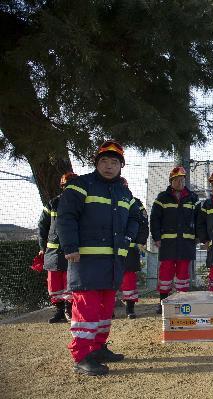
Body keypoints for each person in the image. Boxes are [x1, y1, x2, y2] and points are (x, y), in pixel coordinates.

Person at [57, 140, 139, 376]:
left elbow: (137, 217)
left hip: (112, 263)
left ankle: (99, 347)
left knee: (105, 309)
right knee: (87, 310)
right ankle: (82, 356)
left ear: (121, 166)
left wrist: (127, 238)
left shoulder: (124, 192)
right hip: (85, 263)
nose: (109, 166)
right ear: (96, 163)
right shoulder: (80, 185)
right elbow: (66, 216)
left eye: (115, 162)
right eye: (104, 161)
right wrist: (70, 245)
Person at [150, 166, 199, 314]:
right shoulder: (162, 198)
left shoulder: (193, 198)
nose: (180, 182)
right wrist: (156, 237)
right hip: (167, 244)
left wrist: (198, 236)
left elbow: (199, 219)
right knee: (165, 273)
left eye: (182, 180)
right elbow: (154, 219)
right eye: (177, 180)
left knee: (183, 273)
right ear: (171, 181)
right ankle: (162, 303)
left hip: (186, 243)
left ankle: (181, 301)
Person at [37, 172, 78, 323]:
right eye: (67, 186)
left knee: (70, 282)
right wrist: (42, 247)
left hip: (72, 251)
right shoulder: (52, 203)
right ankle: (60, 311)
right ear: (63, 187)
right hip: (53, 252)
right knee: (54, 284)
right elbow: (42, 226)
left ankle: (69, 309)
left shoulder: (82, 204)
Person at [119, 178, 149, 319]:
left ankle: (130, 309)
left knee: (129, 279)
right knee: (109, 277)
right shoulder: (105, 201)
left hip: (130, 247)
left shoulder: (135, 203)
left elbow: (143, 222)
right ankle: (108, 309)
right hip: (109, 247)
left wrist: (141, 241)